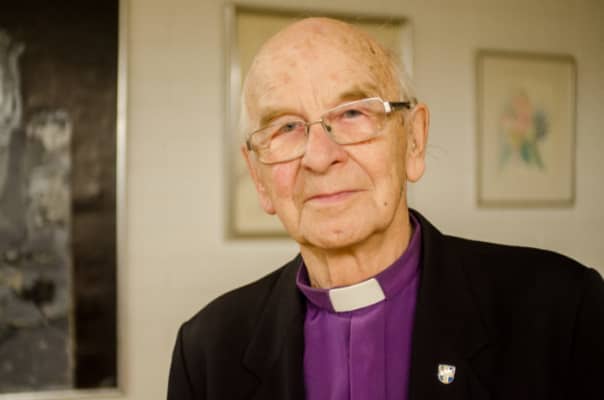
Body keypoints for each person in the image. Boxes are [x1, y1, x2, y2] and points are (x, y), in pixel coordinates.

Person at [167, 18, 604, 400]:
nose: (320, 157)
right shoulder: (207, 351)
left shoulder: (562, 311)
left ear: (414, 140)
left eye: (353, 114)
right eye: (286, 127)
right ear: (259, 177)